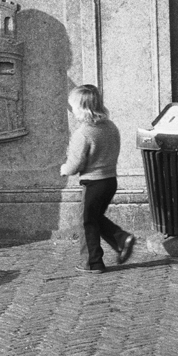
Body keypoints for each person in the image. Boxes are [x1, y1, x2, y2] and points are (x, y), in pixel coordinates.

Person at [60, 84, 135, 273]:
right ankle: (120, 239)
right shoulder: (110, 127)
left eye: (73, 107)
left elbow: (74, 164)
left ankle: (92, 263)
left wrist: (64, 169)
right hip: (110, 181)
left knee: (86, 222)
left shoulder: (83, 133)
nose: (72, 110)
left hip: (93, 183)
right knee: (94, 218)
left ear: (81, 108)